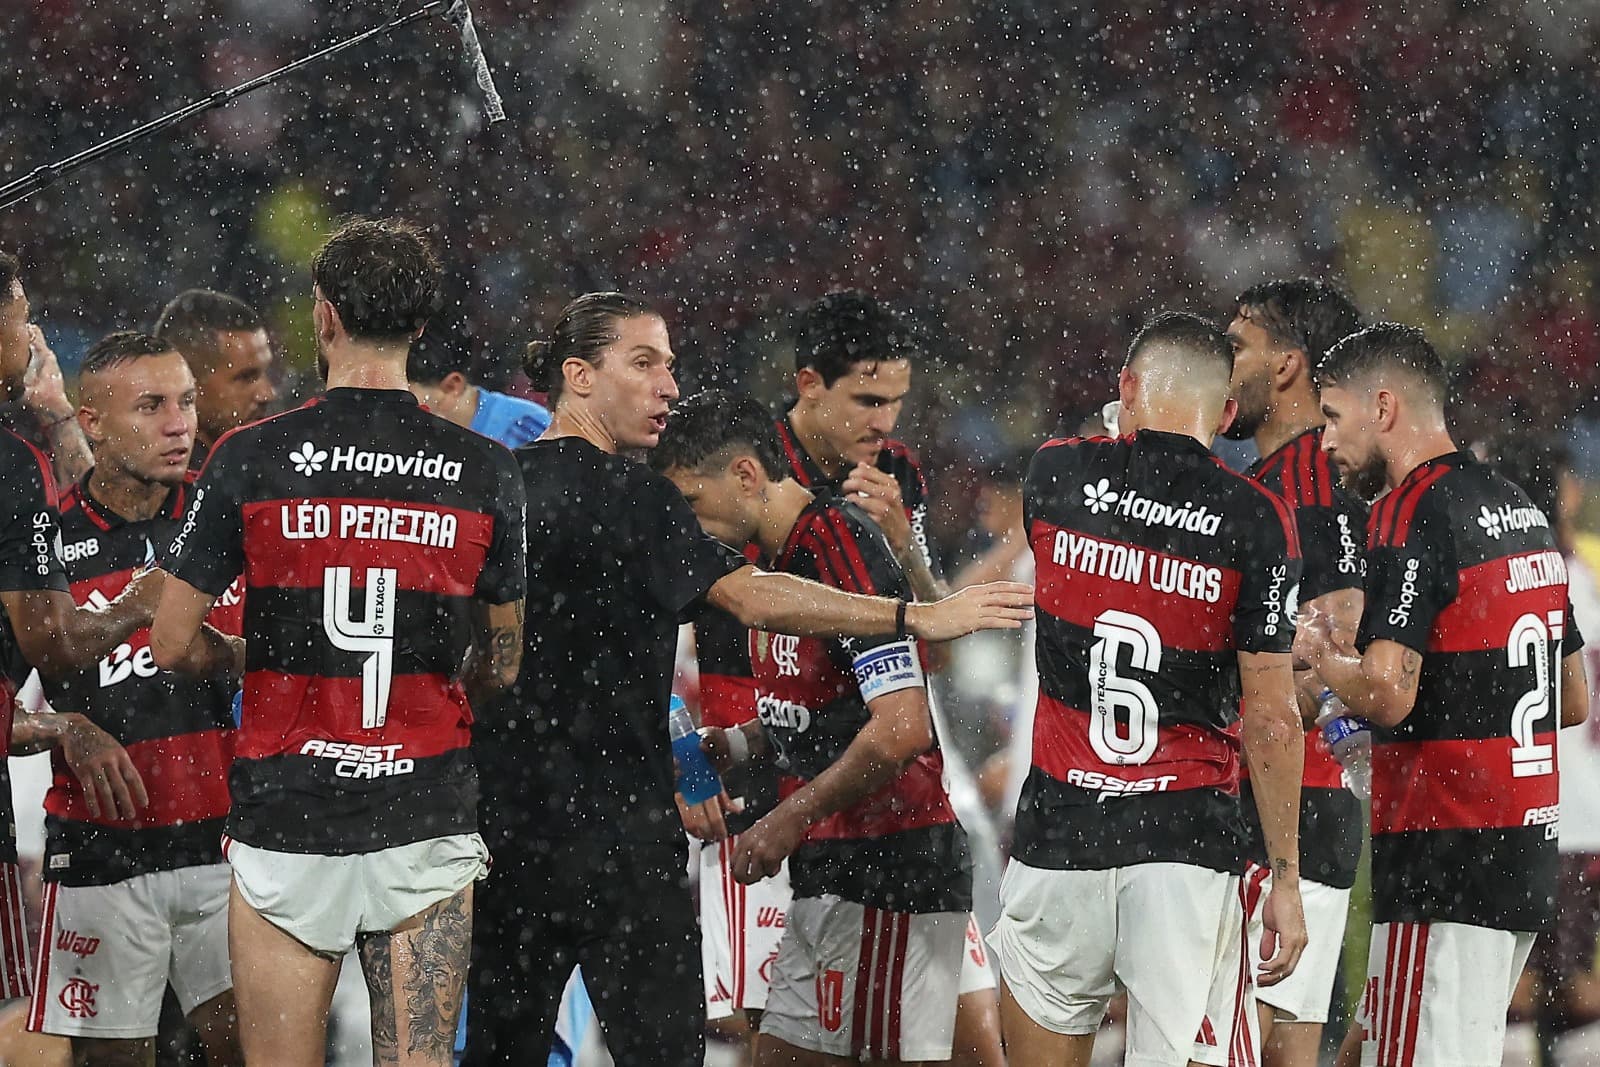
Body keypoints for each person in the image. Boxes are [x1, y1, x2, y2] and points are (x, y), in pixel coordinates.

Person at [463, 292, 1031, 1067]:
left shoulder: (498, 484)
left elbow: (497, 664)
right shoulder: (671, 489)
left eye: (670, 364)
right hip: (678, 833)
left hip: (537, 832)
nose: (668, 384)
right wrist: (909, 615)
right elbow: (734, 612)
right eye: (644, 363)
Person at [150, 218, 527, 1067]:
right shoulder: (484, 468)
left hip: (289, 815)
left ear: (322, 317)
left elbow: (172, 642)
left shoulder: (251, 456)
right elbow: (502, 664)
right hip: (423, 813)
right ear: (421, 326)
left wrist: (245, 655)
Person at [991, 311, 1308, 1067]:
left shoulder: (1055, 473)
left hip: (1057, 835)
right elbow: (1269, 721)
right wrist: (1287, 880)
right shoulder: (1256, 518)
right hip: (1182, 842)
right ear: (1228, 413)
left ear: (1125, 387)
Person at [655, 388, 1000, 1065]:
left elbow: (902, 727)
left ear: (747, 476)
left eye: (693, 503)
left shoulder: (839, 543)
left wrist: (788, 820)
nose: (689, 526)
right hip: (845, 862)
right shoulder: (778, 563)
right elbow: (823, 710)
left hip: (881, 861)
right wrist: (737, 741)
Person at [1305, 324, 1587, 1067]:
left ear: (1384, 407)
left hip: (1444, 854)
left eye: (1332, 416)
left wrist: (1324, 657)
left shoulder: (1410, 509)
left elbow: (1387, 694)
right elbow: (1576, 695)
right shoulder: (1519, 509)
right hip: (1521, 850)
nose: (1325, 441)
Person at [25, 331, 243, 1066]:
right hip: (100, 852)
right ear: (91, 422)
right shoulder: (42, 543)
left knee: (251, 1051)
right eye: (150, 406)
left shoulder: (228, 518)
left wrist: (221, 650)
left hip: (228, 846)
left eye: (184, 402)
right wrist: (63, 725)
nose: (179, 423)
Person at [1201, 278, 1365, 1066]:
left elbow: (1334, 661)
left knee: (1244, 1045)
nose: (1222, 362)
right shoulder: (1281, 482)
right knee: (1265, 1044)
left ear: (1289, 366)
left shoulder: (1307, 484)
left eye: (1238, 345)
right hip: (1288, 796)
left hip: (1289, 797)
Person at [0, 250, 166, 1009]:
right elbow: (55, 641)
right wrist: (139, 603)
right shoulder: (11, 465)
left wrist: (62, 417)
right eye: (18, 311)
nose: (31, 328)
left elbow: (82, 531)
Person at [1491, 437, 1600, 1059]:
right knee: (1575, 984)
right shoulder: (1585, 576)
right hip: (1585, 812)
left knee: (1515, 987)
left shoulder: (1503, 578)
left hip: (1524, 805)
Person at [774, 290, 940, 603]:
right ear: (810, 384)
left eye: (896, 401)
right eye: (870, 401)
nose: (886, 424)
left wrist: (904, 546)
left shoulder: (898, 470)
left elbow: (942, 634)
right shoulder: (755, 467)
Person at [152, 289, 277, 466]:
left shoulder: (259, 468)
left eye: (265, 372)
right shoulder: (156, 488)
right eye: (246, 377)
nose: (267, 394)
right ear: (186, 383)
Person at [407, 324, 550, 447]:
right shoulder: (406, 437)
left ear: (452, 386)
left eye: (406, 391)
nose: (398, 399)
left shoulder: (529, 429)